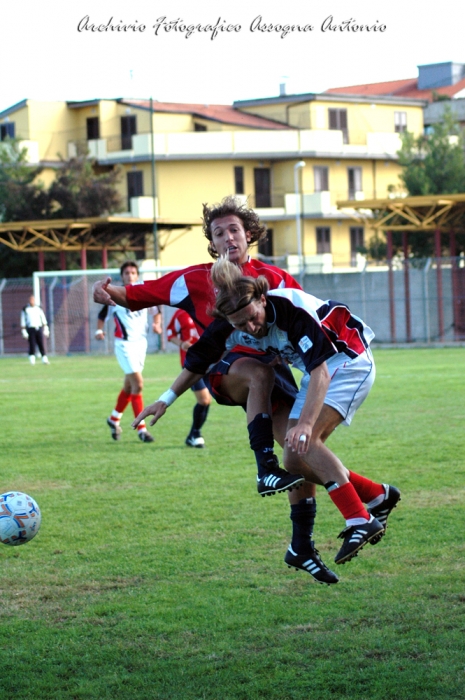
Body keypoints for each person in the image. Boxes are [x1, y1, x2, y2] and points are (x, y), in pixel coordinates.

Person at [93, 196, 336, 585]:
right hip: (226, 371)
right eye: (218, 233)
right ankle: (277, 473)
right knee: (258, 374)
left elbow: (312, 325)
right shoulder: (193, 279)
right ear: (211, 242)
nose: (227, 238)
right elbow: (138, 295)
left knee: (302, 455)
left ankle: (302, 546)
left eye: (233, 230)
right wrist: (107, 294)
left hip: (278, 376)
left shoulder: (276, 280)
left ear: (249, 234)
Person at [133, 258, 401, 567]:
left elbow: (321, 371)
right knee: (293, 458)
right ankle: (377, 496)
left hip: (349, 363)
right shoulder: (228, 323)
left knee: (306, 440)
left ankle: (359, 519)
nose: (250, 328)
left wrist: (306, 424)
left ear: (263, 298)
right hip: (318, 372)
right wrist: (165, 400)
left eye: (253, 318)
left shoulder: (290, 310)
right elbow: (197, 362)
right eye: (239, 325)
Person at [96, 260, 162, 443]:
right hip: (124, 345)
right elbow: (102, 314)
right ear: (122, 276)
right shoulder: (115, 296)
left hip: (141, 345)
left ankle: (114, 418)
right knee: (138, 384)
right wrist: (99, 331)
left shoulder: (144, 293)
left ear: (137, 275)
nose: (130, 275)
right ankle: (141, 429)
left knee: (129, 386)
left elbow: (156, 310)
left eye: (133, 272)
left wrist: (157, 324)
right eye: (127, 273)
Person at [166, 309, 211, 447]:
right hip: (191, 364)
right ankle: (195, 434)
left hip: (210, 361)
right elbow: (170, 333)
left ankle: (193, 435)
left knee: (207, 400)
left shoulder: (208, 309)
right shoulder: (181, 313)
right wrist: (181, 344)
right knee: (204, 400)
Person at [20, 295, 50, 365]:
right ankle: (32, 360)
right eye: (31, 300)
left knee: (41, 344)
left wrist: (46, 328)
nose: (32, 301)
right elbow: (23, 321)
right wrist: (23, 331)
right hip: (30, 329)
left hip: (38, 328)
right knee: (32, 344)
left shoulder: (38, 308)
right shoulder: (25, 309)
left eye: (33, 300)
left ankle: (44, 359)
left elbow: (43, 318)